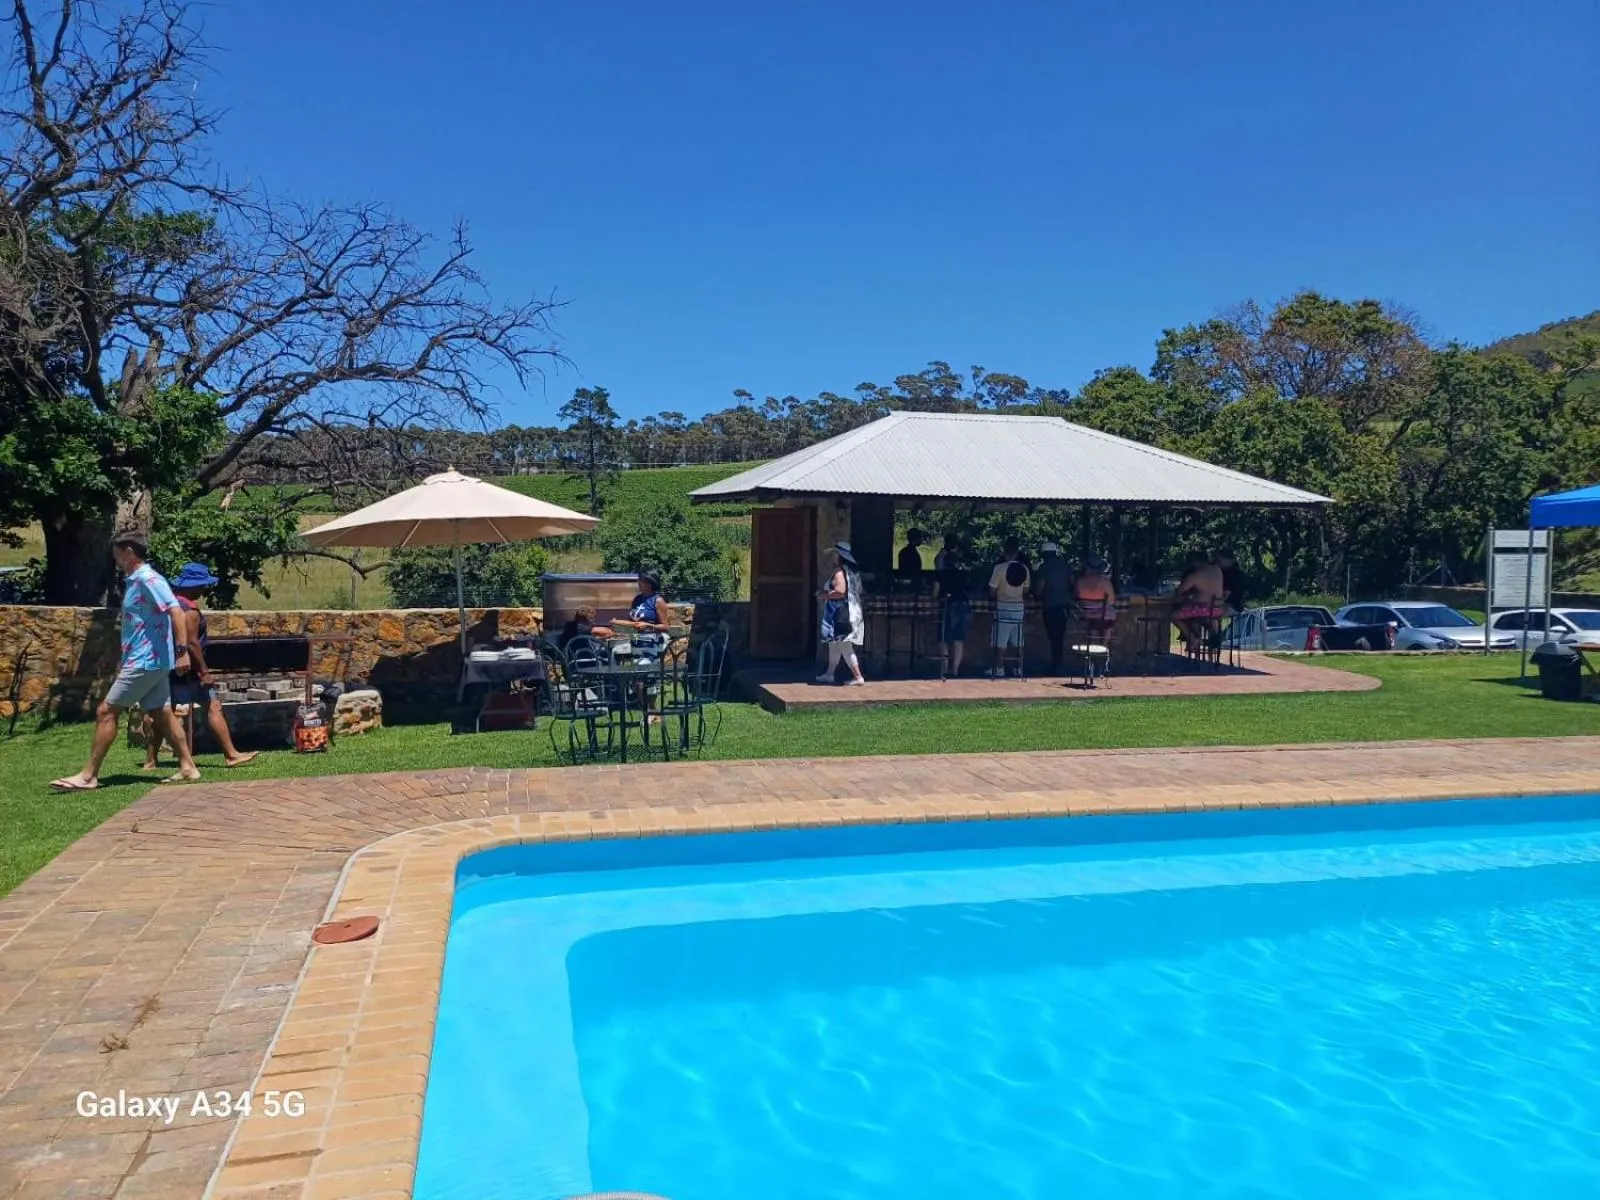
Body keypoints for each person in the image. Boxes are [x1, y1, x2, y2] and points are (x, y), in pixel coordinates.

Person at [51, 536, 200, 791]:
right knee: (161, 712)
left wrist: (182, 651)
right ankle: (188, 767)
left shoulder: (148, 579)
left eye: (117, 553)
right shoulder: (136, 580)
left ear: (129, 552)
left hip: (146, 661)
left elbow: (176, 611)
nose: (114, 559)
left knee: (106, 711)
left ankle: (88, 776)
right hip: (148, 660)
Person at [142, 562, 258, 770]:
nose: (204, 589)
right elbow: (192, 643)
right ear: (193, 585)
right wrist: (204, 672)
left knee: (163, 712)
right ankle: (231, 755)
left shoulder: (170, 605)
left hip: (166, 667)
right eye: (202, 585)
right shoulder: (190, 611)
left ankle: (151, 760)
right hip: (189, 669)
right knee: (213, 706)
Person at [817, 542, 866, 685]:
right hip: (851, 612)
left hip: (841, 613)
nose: (833, 556)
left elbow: (840, 591)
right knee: (835, 645)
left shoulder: (839, 572)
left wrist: (824, 595)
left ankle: (858, 676)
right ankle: (829, 673)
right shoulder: (852, 572)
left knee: (844, 645)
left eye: (835, 554)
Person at [988, 539, 1031, 677]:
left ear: (1004, 552)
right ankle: (1019, 668)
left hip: (1002, 607)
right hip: (1018, 608)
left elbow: (992, 589)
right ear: (1017, 553)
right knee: (1018, 641)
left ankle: (999, 668)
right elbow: (1026, 590)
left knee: (1000, 641)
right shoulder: (1024, 569)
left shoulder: (999, 569)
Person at [1033, 541, 1076, 673]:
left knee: (1053, 635)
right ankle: (1057, 662)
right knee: (1059, 635)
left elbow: (1039, 587)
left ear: (1044, 554)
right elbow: (1073, 582)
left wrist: (1036, 594)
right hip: (1064, 605)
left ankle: (1056, 665)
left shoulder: (1044, 568)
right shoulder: (1065, 566)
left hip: (1050, 605)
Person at [1173, 554, 1227, 651]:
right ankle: (1212, 636)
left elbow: (1180, 590)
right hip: (1217, 609)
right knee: (1194, 617)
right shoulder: (1217, 570)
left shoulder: (1196, 575)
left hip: (1203, 610)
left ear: (1195, 562)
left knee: (1174, 615)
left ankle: (1193, 638)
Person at [935, 537, 972, 677]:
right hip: (964, 604)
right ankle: (955, 670)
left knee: (943, 638)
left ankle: (944, 668)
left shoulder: (941, 575)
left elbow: (935, 592)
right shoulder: (963, 574)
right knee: (958, 639)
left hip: (948, 606)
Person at [1074, 553, 1118, 632]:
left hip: (1084, 614)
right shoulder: (1105, 582)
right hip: (1103, 615)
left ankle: (1090, 635)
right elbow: (1112, 601)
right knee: (1111, 616)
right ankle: (1106, 638)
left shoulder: (1079, 581)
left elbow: (1076, 597)